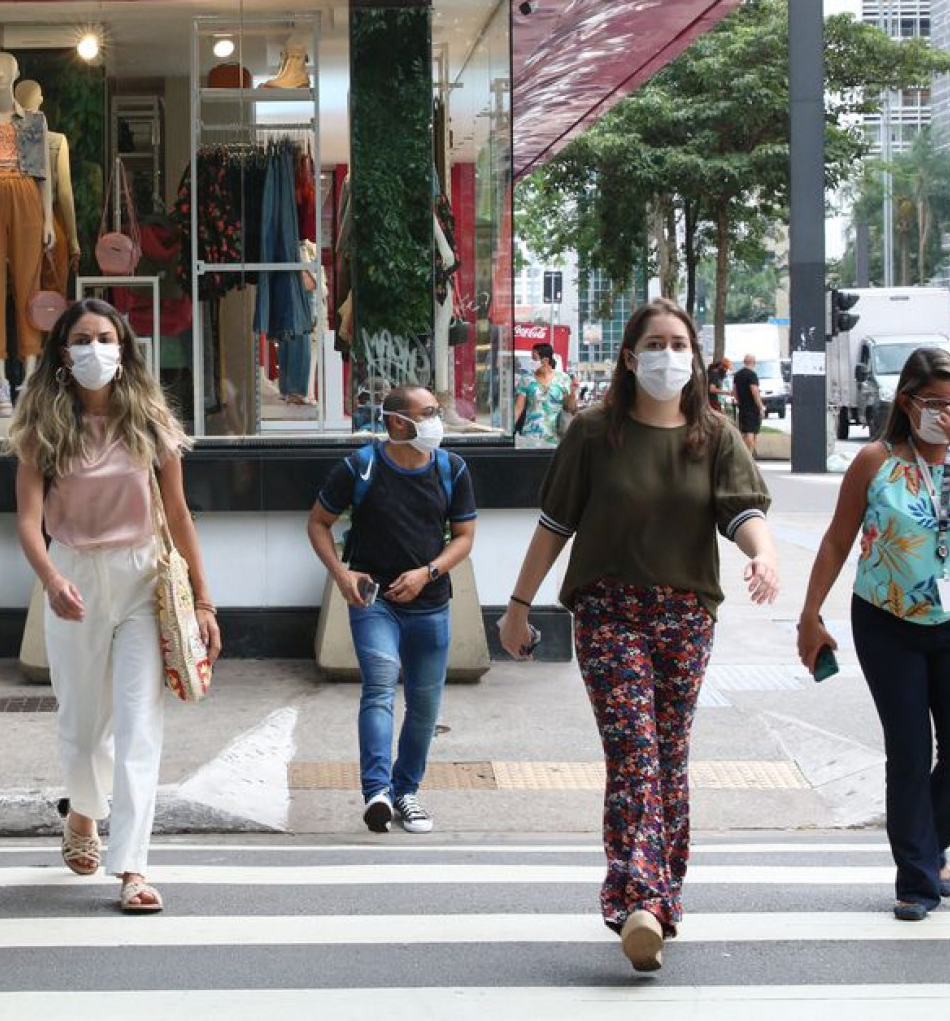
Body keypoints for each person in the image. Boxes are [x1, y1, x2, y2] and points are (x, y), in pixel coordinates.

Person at [496, 299, 778, 974]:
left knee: (668, 754)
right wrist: (515, 606)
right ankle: (639, 900)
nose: (666, 355)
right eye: (653, 343)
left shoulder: (713, 435)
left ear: (694, 356)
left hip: (685, 614)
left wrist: (762, 554)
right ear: (628, 356)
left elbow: (740, 509)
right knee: (632, 750)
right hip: (608, 610)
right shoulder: (594, 433)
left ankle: (662, 897)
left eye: (678, 343)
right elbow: (554, 524)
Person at [5, 298, 221, 914]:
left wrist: (205, 601)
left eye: (105, 337)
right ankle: (83, 813)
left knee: (137, 728)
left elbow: (178, 513)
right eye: (81, 339)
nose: (94, 349)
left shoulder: (150, 420)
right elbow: (25, 520)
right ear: (62, 354)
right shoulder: (39, 426)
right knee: (81, 728)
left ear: (123, 349)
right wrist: (49, 577)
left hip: (141, 579)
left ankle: (133, 867)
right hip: (71, 573)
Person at [796, 347, 950, 921]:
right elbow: (836, 539)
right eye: (934, 403)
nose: (945, 412)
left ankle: (930, 844)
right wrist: (810, 613)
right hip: (886, 620)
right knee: (909, 749)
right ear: (906, 402)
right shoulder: (876, 460)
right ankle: (917, 880)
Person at [307, 385, 477, 834]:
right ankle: (377, 792)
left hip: (431, 606)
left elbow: (464, 537)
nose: (437, 420)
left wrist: (429, 572)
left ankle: (407, 792)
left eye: (437, 411)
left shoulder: (451, 468)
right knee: (379, 687)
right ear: (397, 422)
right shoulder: (359, 467)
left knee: (424, 705)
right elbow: (318, 523)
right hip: (373, 600)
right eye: (429, 413)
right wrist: (343, 576)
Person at [514, 343, 576, 446]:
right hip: (530, 436)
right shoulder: (526, 379)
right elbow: (519, 407)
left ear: (546, 360)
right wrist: (508, 430)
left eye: (534, 358)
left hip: (555, 437)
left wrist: (572, 393)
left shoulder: (563, 379)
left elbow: (571, 408)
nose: (531, 362)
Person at [731, 354, 763, 453]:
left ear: (744, 362)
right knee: (751, 432)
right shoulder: (752, 375)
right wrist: (760, 406)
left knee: (743, 432)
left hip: (742, 407)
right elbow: (755, 391)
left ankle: (743, 455)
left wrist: (740, 401)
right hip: (752, 407)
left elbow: (735, 391)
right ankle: (750, 456)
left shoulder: (737, 375)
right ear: (754, 362)